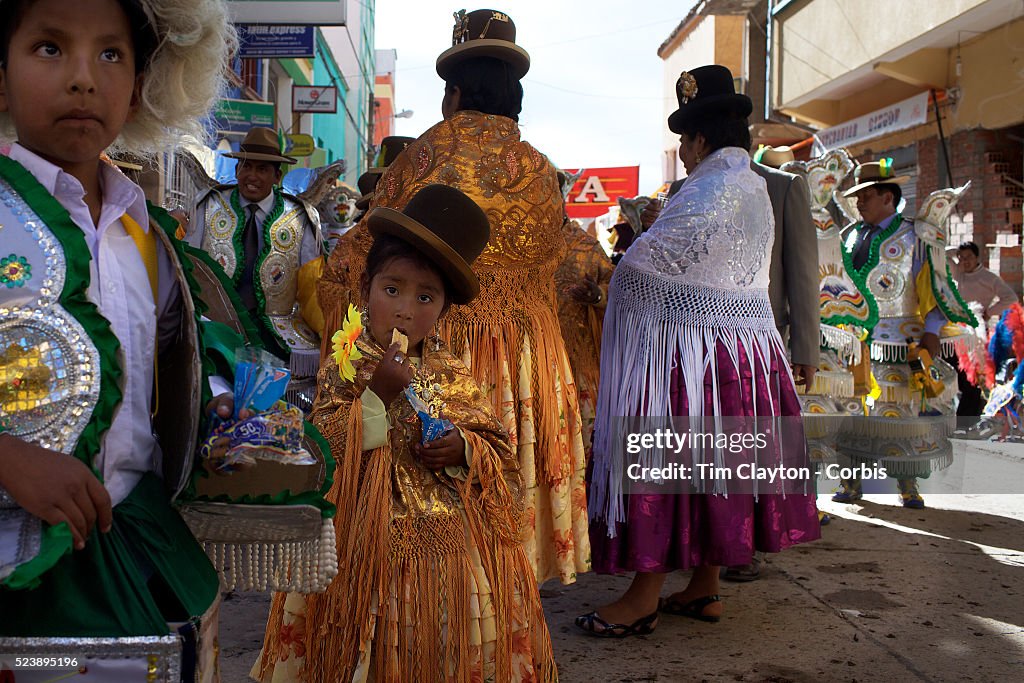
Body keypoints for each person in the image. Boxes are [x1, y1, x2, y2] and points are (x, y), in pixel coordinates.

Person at [0, 0, 235, 678]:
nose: (83, 78)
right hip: (24, 570)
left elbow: (173, 377)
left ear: (141, 84)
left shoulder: (147, 233)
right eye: (49, 47)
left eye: (110, 54)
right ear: (2, 73)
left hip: (138, 545)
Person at [319, 8, 591, 585]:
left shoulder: (425, 155)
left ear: (455, 91)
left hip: (437, 338)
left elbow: (362, 254)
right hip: (522, 358)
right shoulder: (542, 171)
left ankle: (433, 597)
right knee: (493, 464)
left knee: (422, 488)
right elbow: (560, 269)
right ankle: (498, 594)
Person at [255, 184, 556, 682]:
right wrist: (376, 398)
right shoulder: (346, 362)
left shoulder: (452, 369)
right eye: (391, 289)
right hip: (362, 544)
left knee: (438, 646)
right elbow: (326, 446)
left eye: (425, 297)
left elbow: (497, 450)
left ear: (443, 309)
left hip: (449, 550)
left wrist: (463, 446)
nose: (404, 309)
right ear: (366, 287)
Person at [578, 65, 821, 637]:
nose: (682, 153)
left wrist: (611, 284)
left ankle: (642, 598)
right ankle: (705, 585)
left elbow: (644, 269)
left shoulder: (710, 186)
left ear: (701, 139)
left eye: (684, 141)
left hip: (699, 358)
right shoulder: (755, 185)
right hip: (747, 354)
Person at [832, 160, 975, 508]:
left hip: (901, 342)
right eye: (857, 196)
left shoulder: (915, 235)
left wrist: (931, 333)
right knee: (851, 412)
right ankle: (850, 480)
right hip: (852, 342)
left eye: (865, 195)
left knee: (899, 413)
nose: (859, 202)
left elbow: (933, 289)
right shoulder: (848, 236)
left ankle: (906, 482)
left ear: (888, 197)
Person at [721, 144, 821, 582]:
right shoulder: (686, 188)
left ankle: (745, 547)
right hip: (696, 347)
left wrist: (805, 351)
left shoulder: (781, 187)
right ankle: (711, 544)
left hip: (762, 342)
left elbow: (801, 272)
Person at [185, 126, 324, 381]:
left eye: (262, 169)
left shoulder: (299, 217)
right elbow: (190, 267)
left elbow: (312, 287)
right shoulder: (209, 206)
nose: (252, 176)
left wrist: (329, 334)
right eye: (246, 167)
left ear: (277, 176)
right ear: (237, 170)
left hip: (275, 335)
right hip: (215, 331)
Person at [948, 241, 1017, 416]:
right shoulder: (957, 272)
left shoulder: (988, 278)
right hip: (954, 331)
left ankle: (966, 421)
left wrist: (989, 312)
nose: (965, 261)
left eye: (969, 257)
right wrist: (955, 252)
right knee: (953, 372)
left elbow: (1011, 298)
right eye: (962, 258)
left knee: (973, 377)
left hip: (976, 332)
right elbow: (943, 253)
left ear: (977, 257)